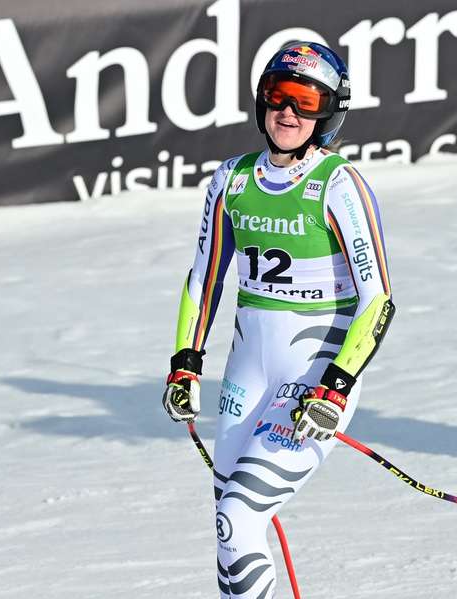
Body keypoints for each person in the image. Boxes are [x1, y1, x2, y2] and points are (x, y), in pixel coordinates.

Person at [161, 41, 395, 598]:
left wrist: (335, 387)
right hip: (247, 375)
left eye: (305, 101)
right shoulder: (232, 179)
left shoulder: (337, 184)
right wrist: (185, 364)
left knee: (239, 516)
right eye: (277, 95)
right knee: (229, 525)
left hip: (313, 379)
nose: (287, 112)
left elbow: (378, 301)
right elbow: (204, 279)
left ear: (329, 113)